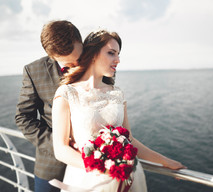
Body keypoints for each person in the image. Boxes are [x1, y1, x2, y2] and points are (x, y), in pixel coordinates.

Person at [51, 30, 186, 191]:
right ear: (93, 54)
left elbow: (130, 140)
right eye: (111, 53)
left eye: (118, 54)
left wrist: (167, 162)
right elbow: (60, 150)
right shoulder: (66, 93)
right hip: (87, 181)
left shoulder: (117, 93)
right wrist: (103, 168)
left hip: (128, 179)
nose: (118, 60)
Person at [15, 20, 83, 192]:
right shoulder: (34, 71)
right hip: (52, 168)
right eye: (68, 64)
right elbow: (24, 118)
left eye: (78, 59)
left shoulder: (97, 61)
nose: (76, 66)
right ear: (52, 55)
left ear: (81, 42)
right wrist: (60, 144)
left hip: (93, 170)